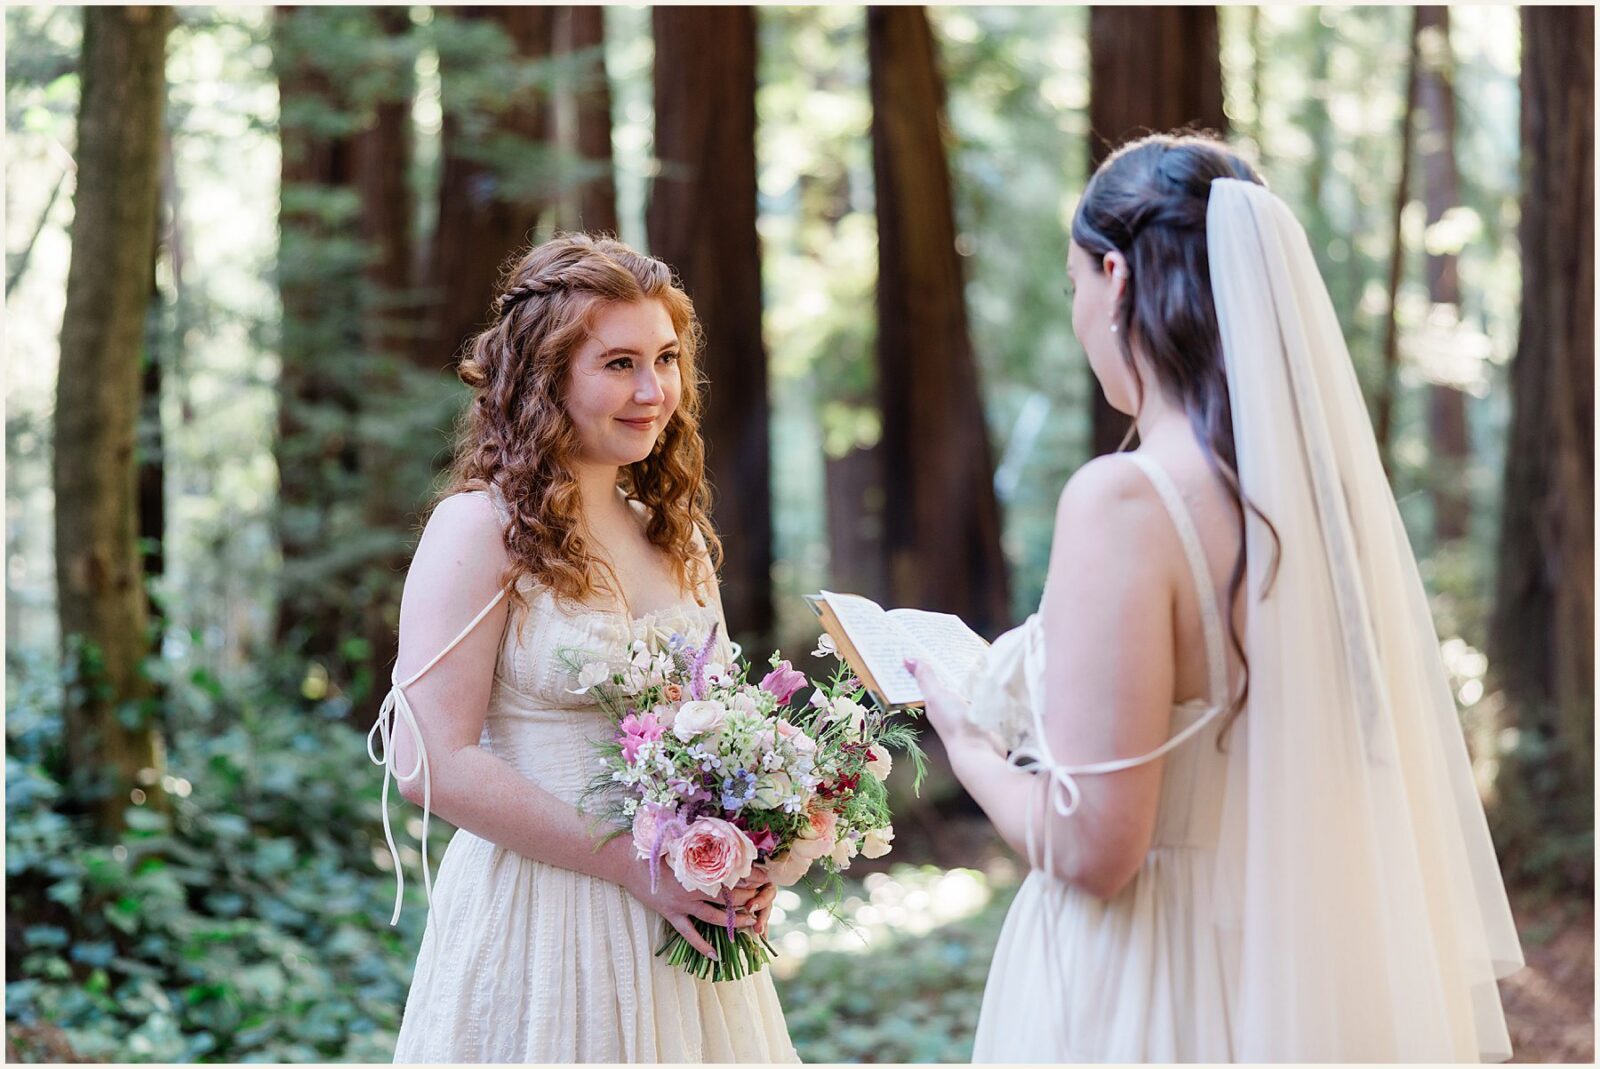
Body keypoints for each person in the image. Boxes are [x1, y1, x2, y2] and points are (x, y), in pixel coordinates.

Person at [910, 133, 1524, 1062]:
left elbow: (1094, 849)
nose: (1077, 310)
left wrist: (966, 741)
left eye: (1076, 281)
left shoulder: (1124, 500)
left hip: (1155, 980)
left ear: (1115, 275)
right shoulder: (1318, 508)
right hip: (1294, 959)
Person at [367, 234, 797, 1063]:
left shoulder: (676, 540)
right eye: (619, 363)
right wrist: (631, 868)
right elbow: (431, 760)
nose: (652, 391)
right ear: (545, 375)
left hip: (685, 929)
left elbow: (724, 737)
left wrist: (752, 855)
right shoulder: (480, 529)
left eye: (666, 359)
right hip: (540, 921)